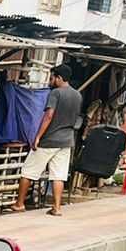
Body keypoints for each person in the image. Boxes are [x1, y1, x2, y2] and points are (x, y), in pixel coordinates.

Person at [15, 63, 83, 216]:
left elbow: (49, 116)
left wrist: (37, 137)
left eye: (52, 78)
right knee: (58, 175)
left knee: (28, 171)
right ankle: (57, 207)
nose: (50, 81)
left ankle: (19, 204)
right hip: (66, 141)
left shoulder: (56, 93)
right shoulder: (77, 95)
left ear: (59, 78)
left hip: (49, 140)